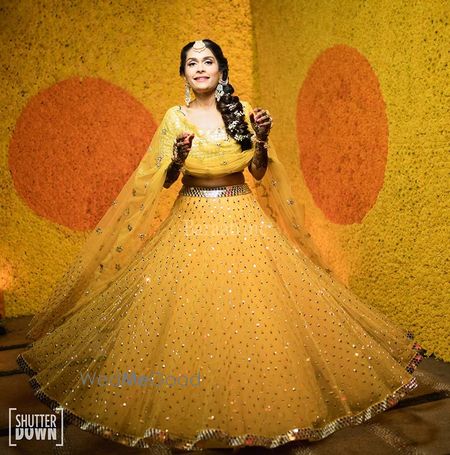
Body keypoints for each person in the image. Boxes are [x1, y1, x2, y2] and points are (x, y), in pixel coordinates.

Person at [17, 39, 424, 451]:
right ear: (183, 74)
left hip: (242, 219)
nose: (199, 68)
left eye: (207, 61)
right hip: (189, 223)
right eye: (191, 62)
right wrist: (176, 157)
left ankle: (259, 405)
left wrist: (262, 139)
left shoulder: (245, 112)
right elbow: (166, 181)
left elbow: (260, 172)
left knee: (254, 316)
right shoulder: (174, 118)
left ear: (221, 70)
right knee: (187, 316)